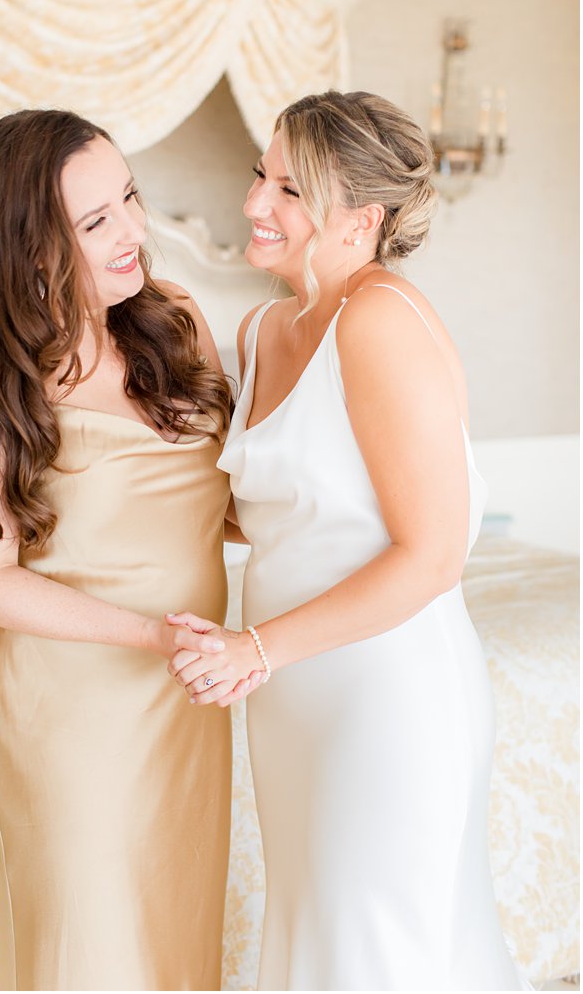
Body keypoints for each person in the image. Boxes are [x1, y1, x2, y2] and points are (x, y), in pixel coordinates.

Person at [166, 90, 526, 989]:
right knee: (319, 941)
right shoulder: (260, 328)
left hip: (389, 692)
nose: (254, 203)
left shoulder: (381, 321)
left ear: (360, 220)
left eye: (289, 189)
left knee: (380, 950)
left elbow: (432, 553)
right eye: (261, 174)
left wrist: (255, 647)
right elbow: (273, 509)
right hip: (294, 700)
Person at [0, 108, 240, 990]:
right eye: (96, 222)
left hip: (194, 676)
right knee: (91, 935)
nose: (134, 231)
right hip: (73, 693)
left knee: (177, 914)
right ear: (30, 246)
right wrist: (157, 638)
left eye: (130, 197)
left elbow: (222, 499)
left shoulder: (174, 322)